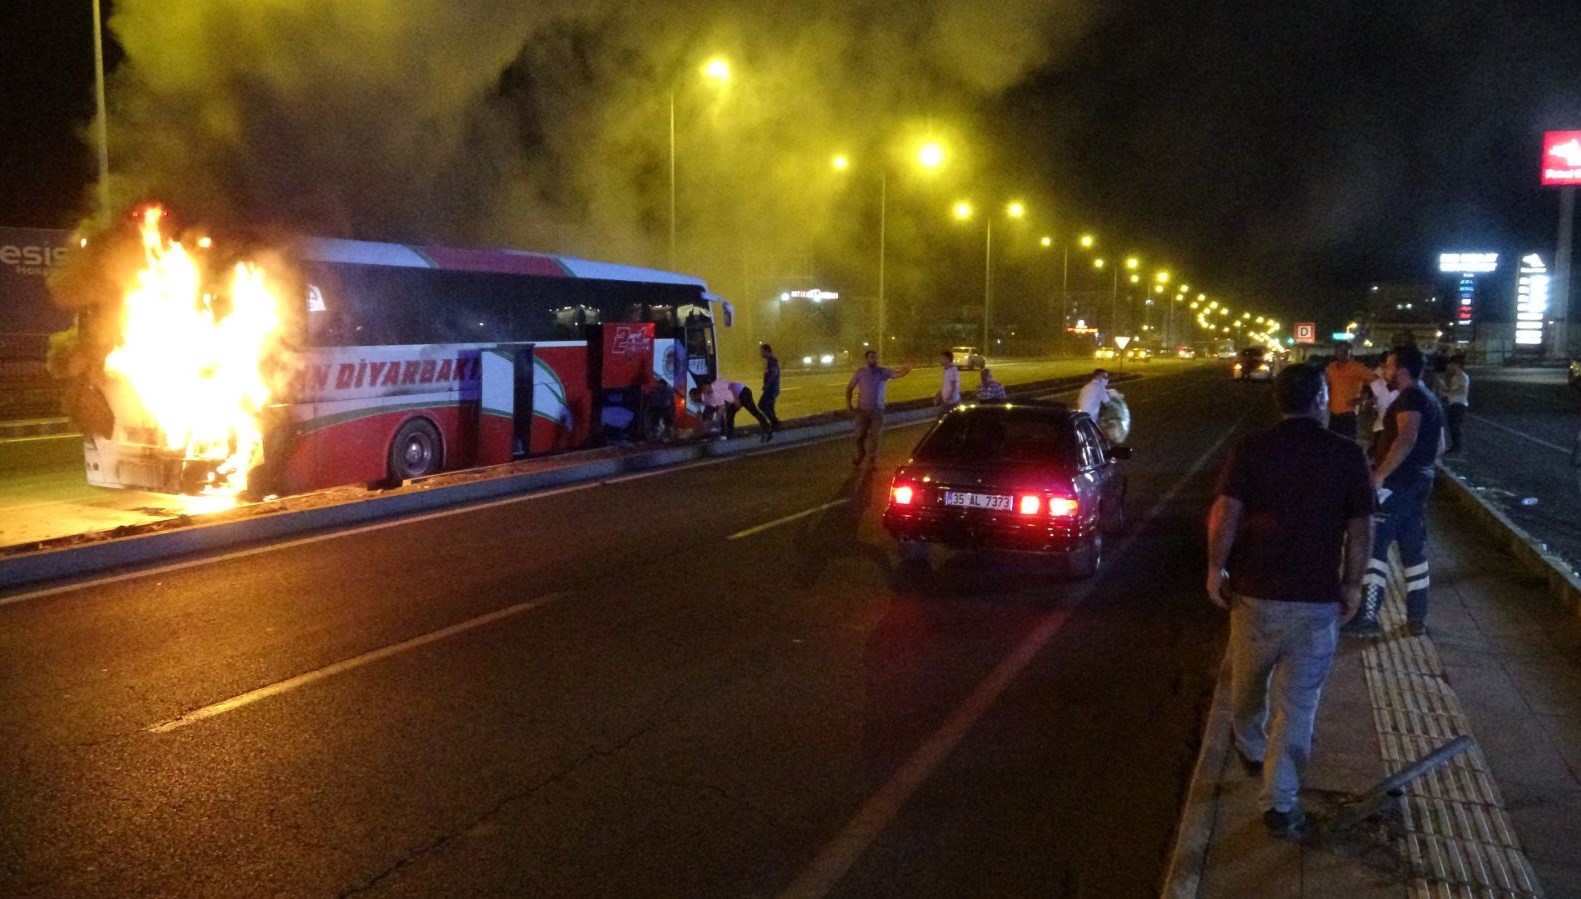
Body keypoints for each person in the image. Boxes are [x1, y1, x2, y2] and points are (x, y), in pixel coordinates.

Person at [1206, 363, 1373, 840]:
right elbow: (1362, 525)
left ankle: (1254, 751)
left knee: (1247, 688)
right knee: (1298, 707)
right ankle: (1279, 802)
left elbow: (1226, 511)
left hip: (1255, 596)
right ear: (1321, 399)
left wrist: (1215, 568)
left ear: (1279, 401)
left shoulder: (1252, 449)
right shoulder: (1346, 455)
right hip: (1317, 603)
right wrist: (1353, 583)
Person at [1342, 344, 1444, 639]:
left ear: (1400, 370)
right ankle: (1417, 618)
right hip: (1420, 485)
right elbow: (1439, 446)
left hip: (1397, 485)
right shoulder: (1431, 399)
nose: (1384, 372)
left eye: (1387, 367)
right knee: (1414, 551)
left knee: (1375, 548)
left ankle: (1368, 616)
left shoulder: (1410, 398)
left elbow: (1406, 437)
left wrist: (1379, 475)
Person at [845, 350, 911, 468]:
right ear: (866, 359)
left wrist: (906, 370)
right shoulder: (860, 372)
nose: (874, 360)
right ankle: (861, 454)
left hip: (877, 411)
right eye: (871, 358)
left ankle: (871, 460)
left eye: (875, 358)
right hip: (862, 411)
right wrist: (849, 404)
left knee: (874, 438)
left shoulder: (883, 372)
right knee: (859, 436)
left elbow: (897, 374)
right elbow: (849, 388)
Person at [689, 377, 771, 441]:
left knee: (753, 411)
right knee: (729, 414)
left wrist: (736, 399)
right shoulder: (710, 396)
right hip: (734, 399)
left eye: (705, 389)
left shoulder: (717, 384)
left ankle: (767, 428)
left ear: (708, 385)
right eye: (703, 390)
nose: (705, 391)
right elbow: (721, 407)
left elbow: (733, 385)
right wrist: (714, 421)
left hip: (742, 392)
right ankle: (729, 435)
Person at [1324, 341, 1373, 439]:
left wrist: (1362, 400)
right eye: (1340, 350)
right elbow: (1327, 385)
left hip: (1349, 413)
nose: (1343, 353)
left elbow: (1375, 383)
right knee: (1332, 443)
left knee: (1348, 443)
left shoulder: (1357, 368)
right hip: (1334, 413)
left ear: (1350, 352)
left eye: (1346, 350)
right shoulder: (1331, 368)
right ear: (1335, 352)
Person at [1437, 354, 1469, 453]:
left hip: (1459, 404)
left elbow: (1462, 391)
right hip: (1454, 403)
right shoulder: (1456, 376)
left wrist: (1446, 392)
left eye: (1451, 364)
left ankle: (1457, 447)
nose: (1448, 367)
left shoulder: (1462, 376)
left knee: (1455, 426)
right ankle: (1455, 446)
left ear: (1457, 365)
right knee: (1453, 426)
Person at [759, 344, 782, 438]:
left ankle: (775, 422)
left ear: (767, 351)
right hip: (771, 388)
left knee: (762, 405)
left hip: (772, 389)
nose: (761, 353)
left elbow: (773, 374)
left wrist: (767, 385)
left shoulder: (772, 361)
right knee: (770, 407)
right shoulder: (769, 361)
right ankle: (775, 425)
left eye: (762, 351)